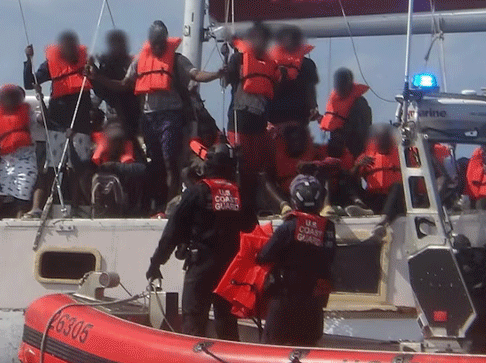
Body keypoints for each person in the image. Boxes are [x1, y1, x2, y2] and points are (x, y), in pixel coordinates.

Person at [87, 21, 221, 211]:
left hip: (171, 117)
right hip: (149, 119)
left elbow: (196, 74)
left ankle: (171, 204)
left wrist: (216, 74)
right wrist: (97, 77)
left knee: (169, 162)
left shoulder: (177, 60)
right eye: (154, 43)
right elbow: (124, 84)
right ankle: (155, 203)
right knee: (155, 163)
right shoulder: (140, 61)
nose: (158, 47)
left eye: (161, 43)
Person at [146, 144, 249, 341]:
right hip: (231, 269)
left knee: (193, 322)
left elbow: (172, 231)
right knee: (227, 322)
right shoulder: (240, 195)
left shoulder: (197, 192)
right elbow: (251, 231)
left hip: (201, 265)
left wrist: (156, 262)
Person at [256, 175, 337, 346]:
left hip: (285, 302)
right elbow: (330, 257)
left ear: (294, 200)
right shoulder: (329, 228)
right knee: (308, 348)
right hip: (313, 304)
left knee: (273, 348)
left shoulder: (289, 226)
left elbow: (265, 255)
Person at [24, 31, 96, 214]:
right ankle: (39, 207)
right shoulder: (50, 64)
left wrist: (93, 73)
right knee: (52, 167)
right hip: (57, 124)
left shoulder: (87, 63)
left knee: (77, 168)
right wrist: (28, 60)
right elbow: (29, 82)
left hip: (80, 125)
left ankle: (77, 206)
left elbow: (99, 87)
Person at [223, 23, 281, 220]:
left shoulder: (271, 64)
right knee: (240, 165)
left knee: (257, 168)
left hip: (259, 121)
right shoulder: (238, 58)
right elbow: (227, 80)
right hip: (240, 119)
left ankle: (254, 205)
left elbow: (275, 91)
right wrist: (228, 63)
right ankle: (238, 207)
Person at [0, 84, 37, 220]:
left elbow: (40, 121)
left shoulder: (27, 112)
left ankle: (19, 223)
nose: (11, 100)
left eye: (15, 97)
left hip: (26, 159)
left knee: (22, 198)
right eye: (8, 96)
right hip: (5, 161)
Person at [90, 117, 146, 217]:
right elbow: (82, 169)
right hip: (102, 196)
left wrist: (115, 166)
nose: (116, 143)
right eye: (113, 140)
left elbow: (143, 169)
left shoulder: (131, 147)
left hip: (125, 197)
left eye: (119, 139)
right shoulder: (97, 149)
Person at [89, 29, 140, 137]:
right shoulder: (106, 65)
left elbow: (124, 85)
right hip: (114, 119)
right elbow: (101, 93)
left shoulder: (131, 63)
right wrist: (93, 72)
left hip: (132, 117)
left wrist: (97, 77)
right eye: (112, 44)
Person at [265, 123, 324, 212]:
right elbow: (268, 176)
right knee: (264, 179)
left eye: (298, 140)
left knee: (326, 175)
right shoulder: (276, 153)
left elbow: (330, 164)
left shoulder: (313, 150)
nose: (295, 143)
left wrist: (313, 165)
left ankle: (326, 207)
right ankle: (285, 207)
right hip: (285, 194)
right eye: (292, 140)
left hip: (311, 193)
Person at [267, 25, 319, 126]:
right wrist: (313, 107)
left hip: (275, 116)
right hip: (299, 116)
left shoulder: (269, 62)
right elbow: (310, 89)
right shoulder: (308, 64)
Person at [320, 68, 371, 159]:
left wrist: (342, 134)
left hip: (353, 150)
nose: (340, 88)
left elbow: (361, 131)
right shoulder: (334, 100)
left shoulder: (359, 103)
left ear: (350, 84)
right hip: (335, 149)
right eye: (338, 85)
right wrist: (319, 118)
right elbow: (333, 121)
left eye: (343, 85)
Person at [357, 124, 401, 215]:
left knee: (398, 187)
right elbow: (351, 175)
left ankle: (384, 216)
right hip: (373, 196)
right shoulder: (367, 154)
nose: (382, 144)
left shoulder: (402, 154)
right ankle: (367, 210)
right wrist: (358, 165)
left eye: (385, 141)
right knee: (346, 180)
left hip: (393, 198)